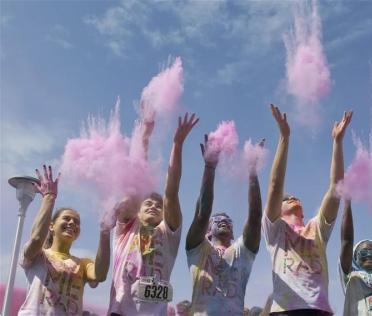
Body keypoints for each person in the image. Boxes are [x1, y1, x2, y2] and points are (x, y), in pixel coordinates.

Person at [262, 104, 353, 315]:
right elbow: (275, 185)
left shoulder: (316, 228)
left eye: (295, 197)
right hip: (285, 310)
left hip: (318, 310)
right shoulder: (274, 230)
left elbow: (336, 187)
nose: (292, 197)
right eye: (287, 199)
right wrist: (284, 137)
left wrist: (337, 143)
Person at [108, 113, 199, 315]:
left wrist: (177, 144)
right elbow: (136, 180)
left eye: (159, 205)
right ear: (137, 211)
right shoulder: (126, 229)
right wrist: (145, 136)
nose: (153, 206)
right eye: (147, 203)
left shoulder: (168, 234)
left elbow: (172, 190)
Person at [185, 135, 263, 315]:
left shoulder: (242, 251)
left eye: (228, 220)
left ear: (233, 231)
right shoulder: (198, 249)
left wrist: (252, 171)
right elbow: (202, 214)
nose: (222, 221)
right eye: (216, 219)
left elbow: (255, 216)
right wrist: (210, 167)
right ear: (207, 232)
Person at [18, 165, 111, 315]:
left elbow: (100, 275)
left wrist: (105, 232)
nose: (72, 223)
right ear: (51, 226)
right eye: (66, 219)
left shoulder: (83, 264)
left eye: (77, 222)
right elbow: (36, 239)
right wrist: (49, 197)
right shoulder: (38, 256)